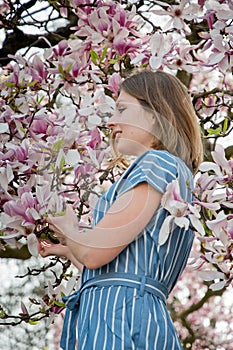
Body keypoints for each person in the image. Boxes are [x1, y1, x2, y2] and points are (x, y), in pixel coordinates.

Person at [38, 70, 203, 350]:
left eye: (123, 109)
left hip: (121, 320)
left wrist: (71, 228)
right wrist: (70, 247)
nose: (111, 121)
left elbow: (94, 254)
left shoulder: (156, 163)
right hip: (123, 313)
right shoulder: (172, 170)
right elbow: (117, 269)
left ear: (155, 113)